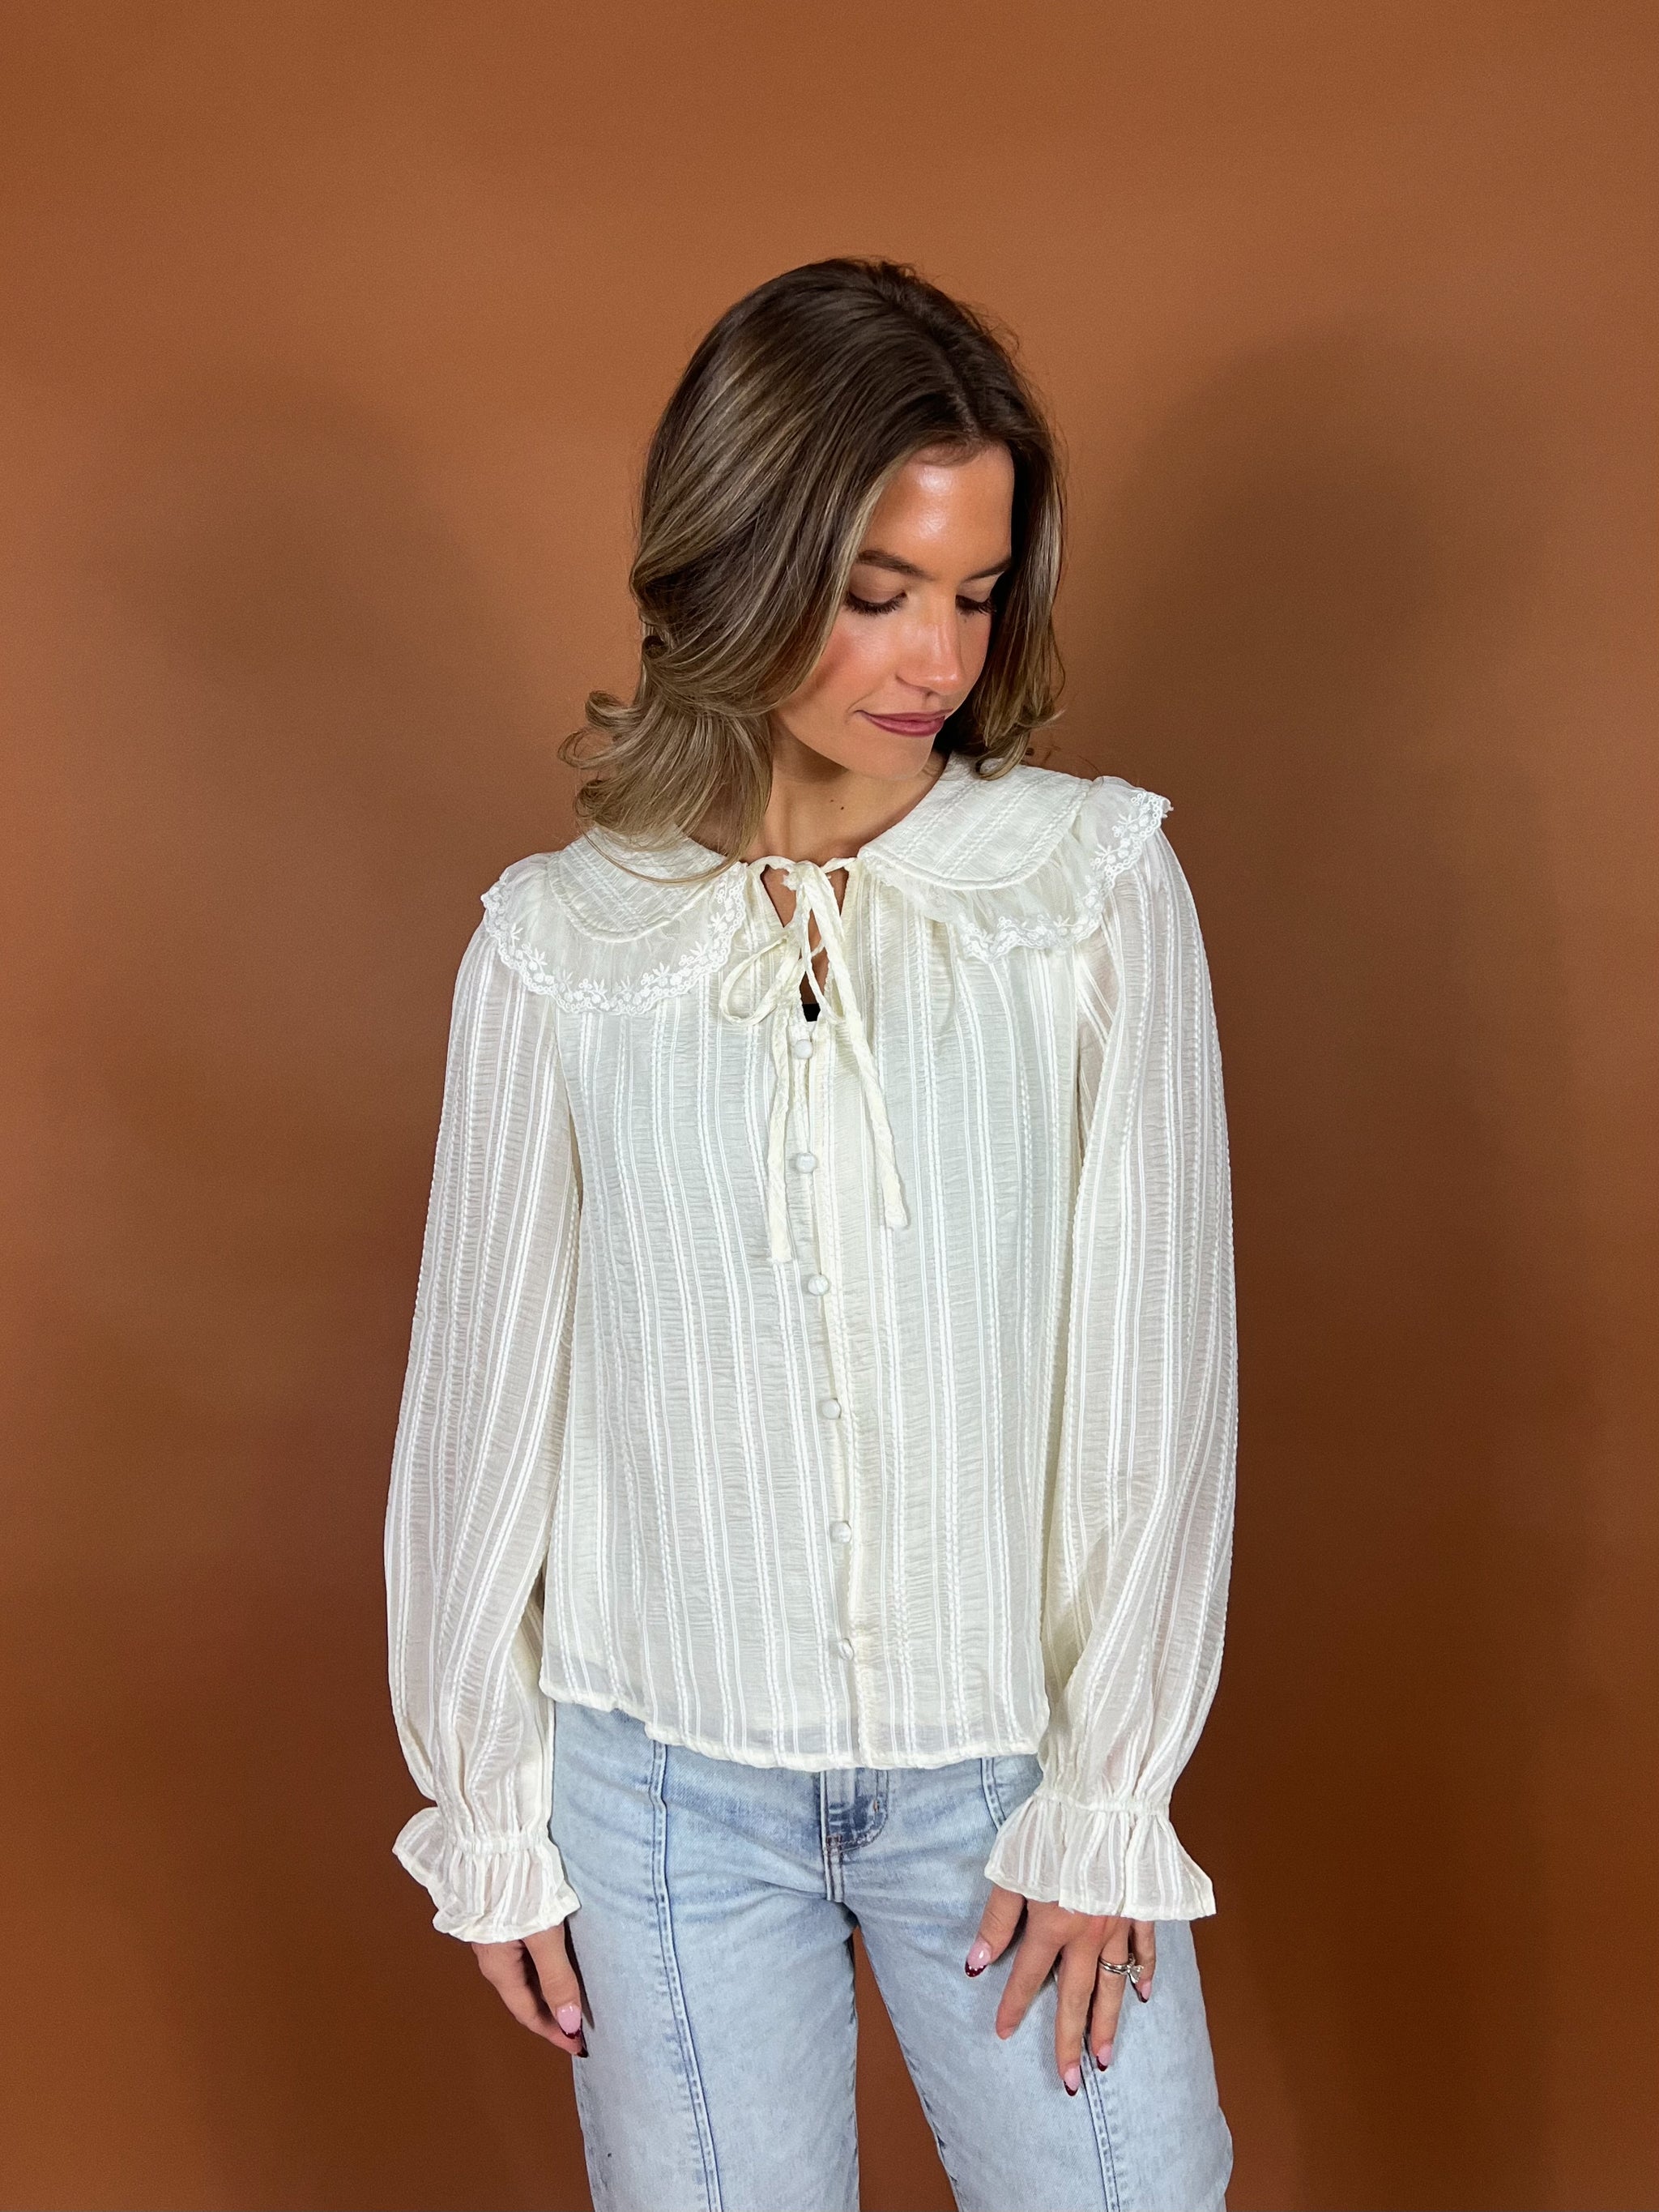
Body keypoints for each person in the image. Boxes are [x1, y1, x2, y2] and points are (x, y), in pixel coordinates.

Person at [384, 257, 1238, 2212]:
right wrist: (488, 1808)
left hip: (1002, 1773)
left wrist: (1105, 1792)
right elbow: (481, 1412)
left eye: (973, 590)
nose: (935, 655)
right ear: (736, 562)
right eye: (873, 591)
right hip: (656, 1797)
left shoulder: (1087, 892)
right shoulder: (558, 946)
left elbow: (1155, 1383)